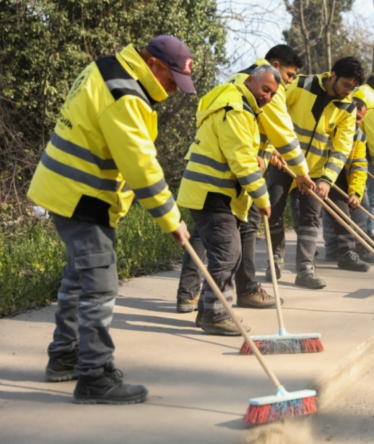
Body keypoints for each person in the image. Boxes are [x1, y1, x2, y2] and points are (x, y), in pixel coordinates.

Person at [28, 35, 193, 404]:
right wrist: (171, 219)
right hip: (83, 196)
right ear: (153, 64)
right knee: (100, 286)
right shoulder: (126, 96)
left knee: (78, 278)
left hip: (68, 189)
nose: (172, 89)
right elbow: (141, 166)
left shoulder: (107, 69)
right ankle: (93, 376)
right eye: (171, 80)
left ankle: (64, 356)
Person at [174, 45, 312, 315]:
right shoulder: (256, 91)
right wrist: (302, 174)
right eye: (290, 74)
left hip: (225, 183)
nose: (289, 83)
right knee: (229, 246)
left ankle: (192, 295)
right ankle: (224, 305)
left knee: (210, 235)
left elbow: (254, 134)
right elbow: (279, 134)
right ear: (275, 66)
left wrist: (269, 153)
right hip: (222, 183)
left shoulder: (243, 83)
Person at [176, 65, 280, 335]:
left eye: (272, 94)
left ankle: (207, 312)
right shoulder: (235, 107)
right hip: (212, 192)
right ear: (250, 81)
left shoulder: (243, 108)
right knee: (227, 254)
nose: (267, 97)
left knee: (227, 254)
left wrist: (259, 159)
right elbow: (241, 160)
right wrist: (262, 197)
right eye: (265, 89)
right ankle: (216, 315)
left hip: (215, 191)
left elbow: (243, 154)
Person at [267, 56, 364, 289]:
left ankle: (305, 270)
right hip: (284, 163)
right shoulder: (300, 85)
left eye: (353, 88)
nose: (348, 91)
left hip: (315, 171)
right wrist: (271, 149)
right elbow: (271, 112)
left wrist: (328, 180)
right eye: (346, 85)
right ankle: (276, 259)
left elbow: (341, 150)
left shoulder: (348, 107)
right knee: (274, 210)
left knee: (310, 218)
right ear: (333, 75)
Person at [322, 97, 370, 271]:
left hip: (344, 179)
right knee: (328, 212)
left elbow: (359, 165)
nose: (356, 122)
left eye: (359, 119)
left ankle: (356, 248)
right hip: (321, 176)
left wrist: (356, 193)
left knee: (355, 207)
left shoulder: (359, 136)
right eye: (354, 116)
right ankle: (332, 250)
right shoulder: (329, 127)